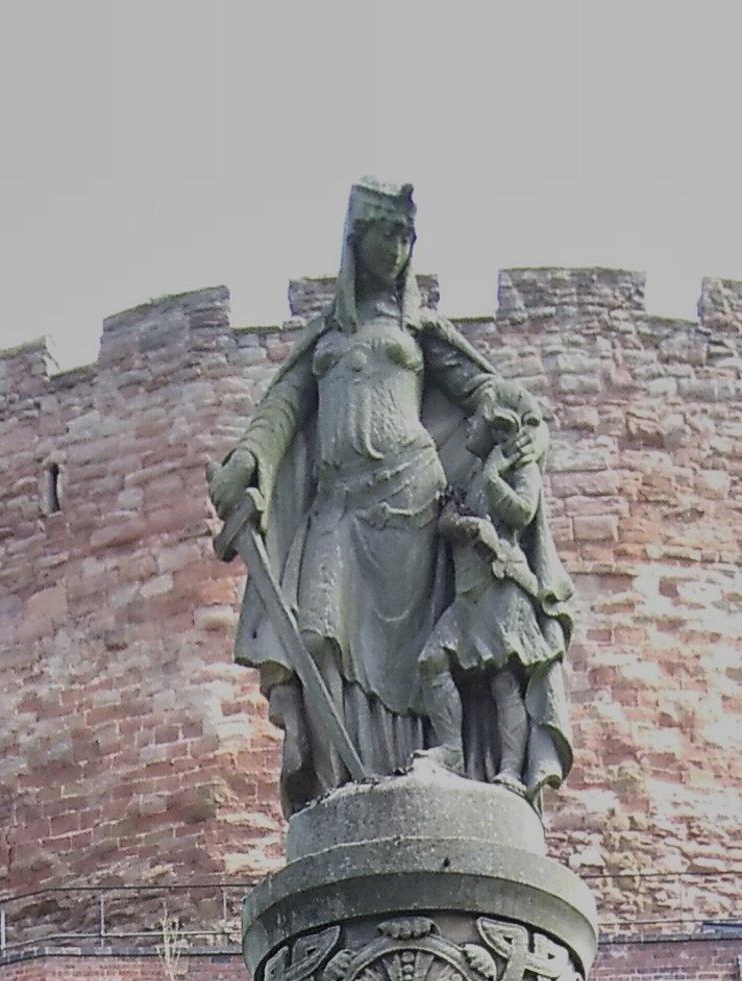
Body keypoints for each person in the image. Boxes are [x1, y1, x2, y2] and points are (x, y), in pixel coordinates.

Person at [207, 180, 574, 817]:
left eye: (407, 238)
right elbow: (283, 407)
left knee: (417, 660)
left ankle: (424, 773)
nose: (398, 250)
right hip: (338, 506)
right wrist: (248, 460)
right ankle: (337, 796)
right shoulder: (328, 334)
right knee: (317, 636)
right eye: (387, 236)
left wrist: (515, 428)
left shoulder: (418, 328)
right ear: (358, 240)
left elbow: (490, 394)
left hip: (412, 500)